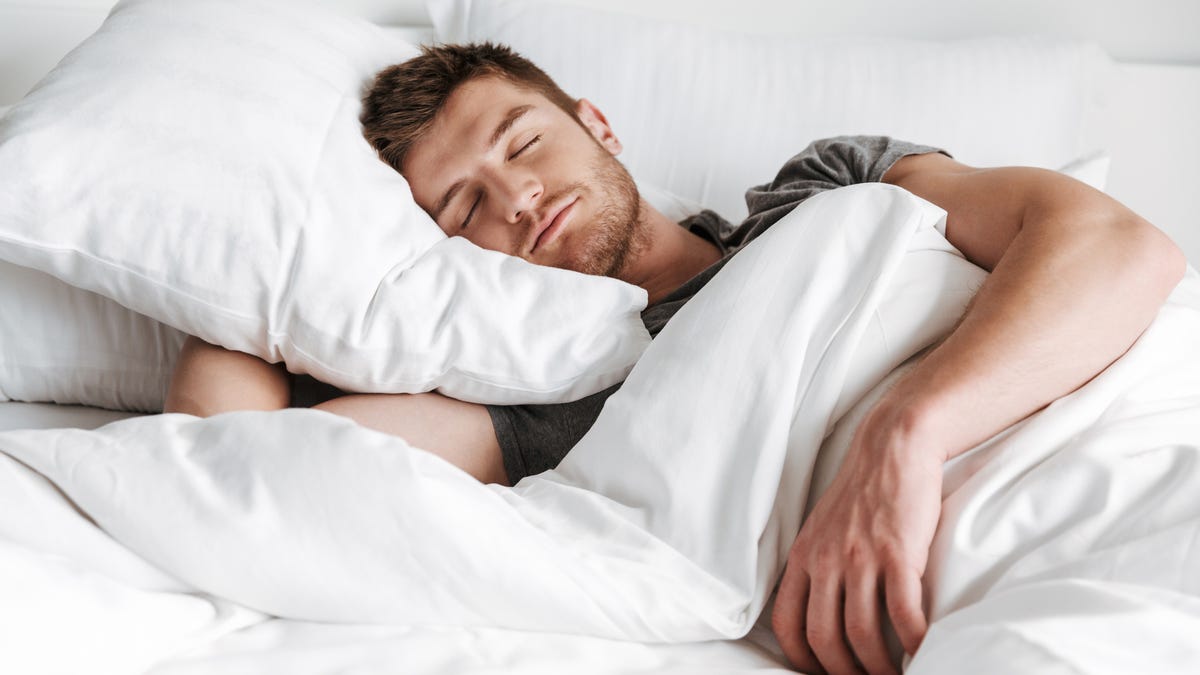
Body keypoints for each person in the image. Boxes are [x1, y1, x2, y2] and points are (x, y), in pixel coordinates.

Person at [163, 42, 1186, 675]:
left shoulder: (824, 192)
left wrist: (905, 433)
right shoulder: (560, 401)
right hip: (1003, 592)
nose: (515, 199)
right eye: (462, 206)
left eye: (521, 145)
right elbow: (235, 463)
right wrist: (251, 270)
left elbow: (1112, 247)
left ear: (594, 123)